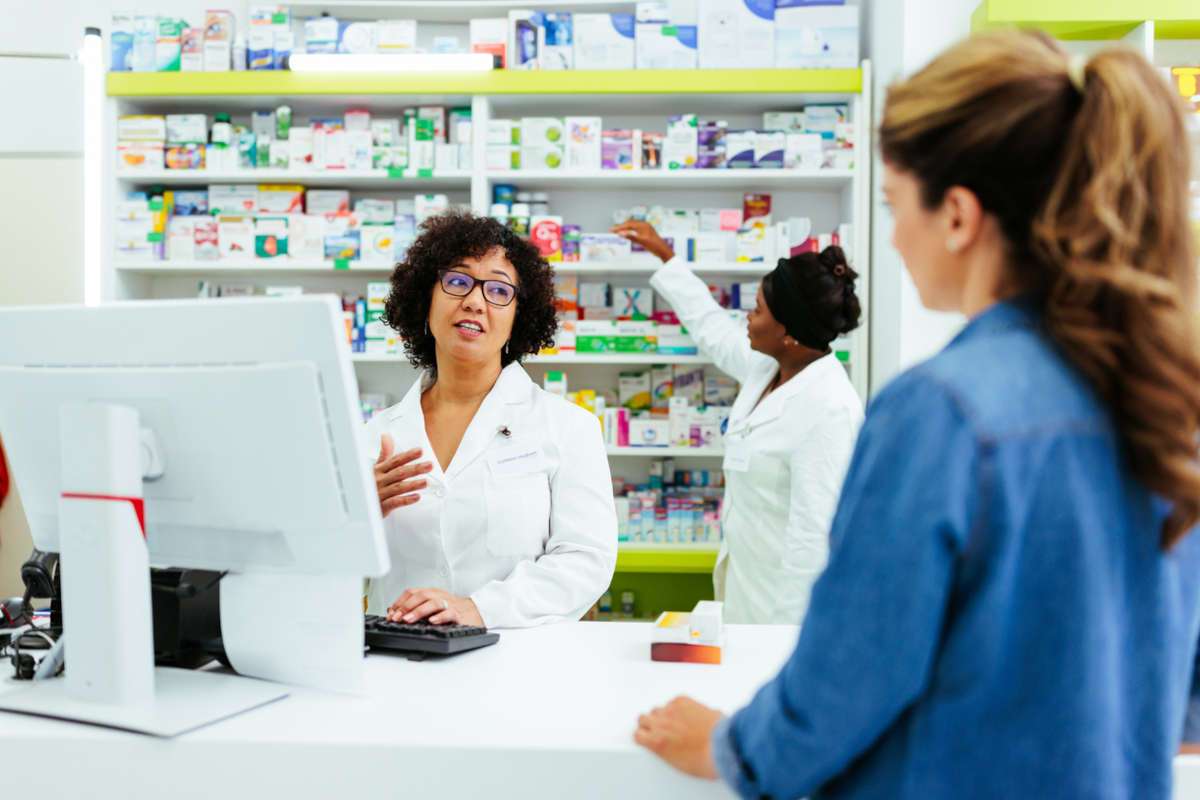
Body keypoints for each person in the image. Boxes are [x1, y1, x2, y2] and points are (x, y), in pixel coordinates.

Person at [633, 29, 1200, 799]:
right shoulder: (1164, 395)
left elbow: (842, 692)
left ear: (959, 217)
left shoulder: (946, 413)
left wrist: (729, 745)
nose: (894, 239)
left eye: (897, 205)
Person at [363, 211, 617, 629]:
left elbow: (586, 561)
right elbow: (330, 575)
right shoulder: (375, 436)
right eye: (458, 281)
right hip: (397, 667)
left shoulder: (568, 427)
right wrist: (356, 518)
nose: (475, 301)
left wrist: (478, 609)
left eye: (498, 290)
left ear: (519, 315)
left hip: (519, 668)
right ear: (424, 300)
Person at [611, 220, 864, 624]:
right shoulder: (770, 368)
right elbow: (714, 331)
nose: (747, 317)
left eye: (758, 309)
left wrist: (787, 641)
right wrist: (666, 256)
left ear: (787, 330)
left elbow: (814, 542)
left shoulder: (831, 409)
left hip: (785, 615)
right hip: (746, 592)